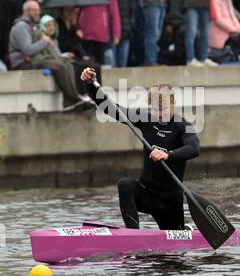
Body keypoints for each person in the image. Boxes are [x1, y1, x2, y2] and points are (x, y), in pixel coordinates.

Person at [81, 68, 200, 230]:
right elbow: (109, 108)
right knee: (125, 185)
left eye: (164, 109)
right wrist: (91, 85)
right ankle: (132, 234)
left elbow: (194, 148)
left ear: (173, 104)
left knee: (173, 253)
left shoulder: (182, 125)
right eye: (156, 109)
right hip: (147, 194)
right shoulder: (145, 119)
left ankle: (184, 230)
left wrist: (168, 155)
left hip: (170, 202)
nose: (160, 114)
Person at [8, 1, 93, 112]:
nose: (38, 12)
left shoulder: (33, 26)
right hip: (23, 62)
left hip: (35, 58)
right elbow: (27, 50)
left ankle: (69, 101)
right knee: (59, 66)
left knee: (67, 64)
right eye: (34, 10)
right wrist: (44, 41)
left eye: (38, 10)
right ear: (26, 11)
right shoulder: (21, 27)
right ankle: (74, 98)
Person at [78, 0, 121, 65]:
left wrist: (116, 34)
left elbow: (114, 12)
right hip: (86, 32)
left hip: (101, 32)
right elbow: (77, 11)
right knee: (87, 63)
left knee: (100, 62)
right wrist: (77, 28)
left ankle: (98, 81)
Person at [208, 0, 240, 64]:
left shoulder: (228, 0)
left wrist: (238, 28)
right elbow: (217, 19)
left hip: (230, 34)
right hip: (219, 36)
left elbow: (232, 16)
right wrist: (232, 29)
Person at [109, 0, 134, 67]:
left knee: (122, 63)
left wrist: (130, 25)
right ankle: (113, 83)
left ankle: (122, 83)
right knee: (112, 63)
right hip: (112, 34)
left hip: (125, 32)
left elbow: (132, 12)